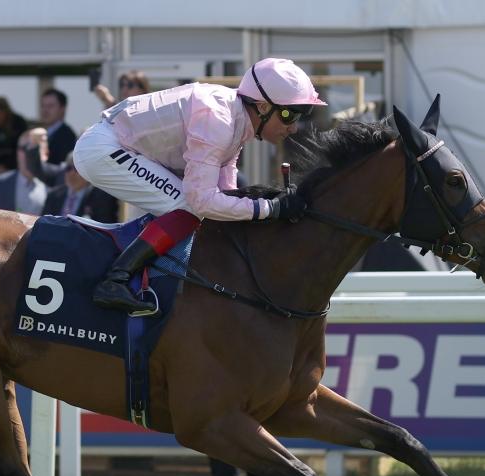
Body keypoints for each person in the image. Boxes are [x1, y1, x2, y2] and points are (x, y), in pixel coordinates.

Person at [73, 57, 322, 315]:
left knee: (195, 208)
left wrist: (268, 208)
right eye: (288, 114)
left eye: (299, 116)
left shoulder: (235, 119)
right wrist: (271, 208)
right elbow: (202, 201)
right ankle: (115, 280)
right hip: (103, 149)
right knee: (188, 206)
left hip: (118, 145)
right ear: (262, 106)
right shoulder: (219, 120)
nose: (293, 128)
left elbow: (227, 195)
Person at [0, 127, 47, 215]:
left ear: (46, 154)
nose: (29, 155)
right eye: (25, 149)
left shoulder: (56, 188)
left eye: (34, 150)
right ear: (17, 152)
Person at [41, 153, 118, 222]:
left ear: (87, 172)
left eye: (76, 169)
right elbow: (44, 224)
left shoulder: (100, 198)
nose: (71, 173)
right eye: (68, 168)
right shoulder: (53, 195)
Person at [40, 88, 76, 165]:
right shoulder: (42, 133)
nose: (45, 110)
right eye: (43, 106)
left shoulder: (67, 136)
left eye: (50, 106)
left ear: (62, 109)